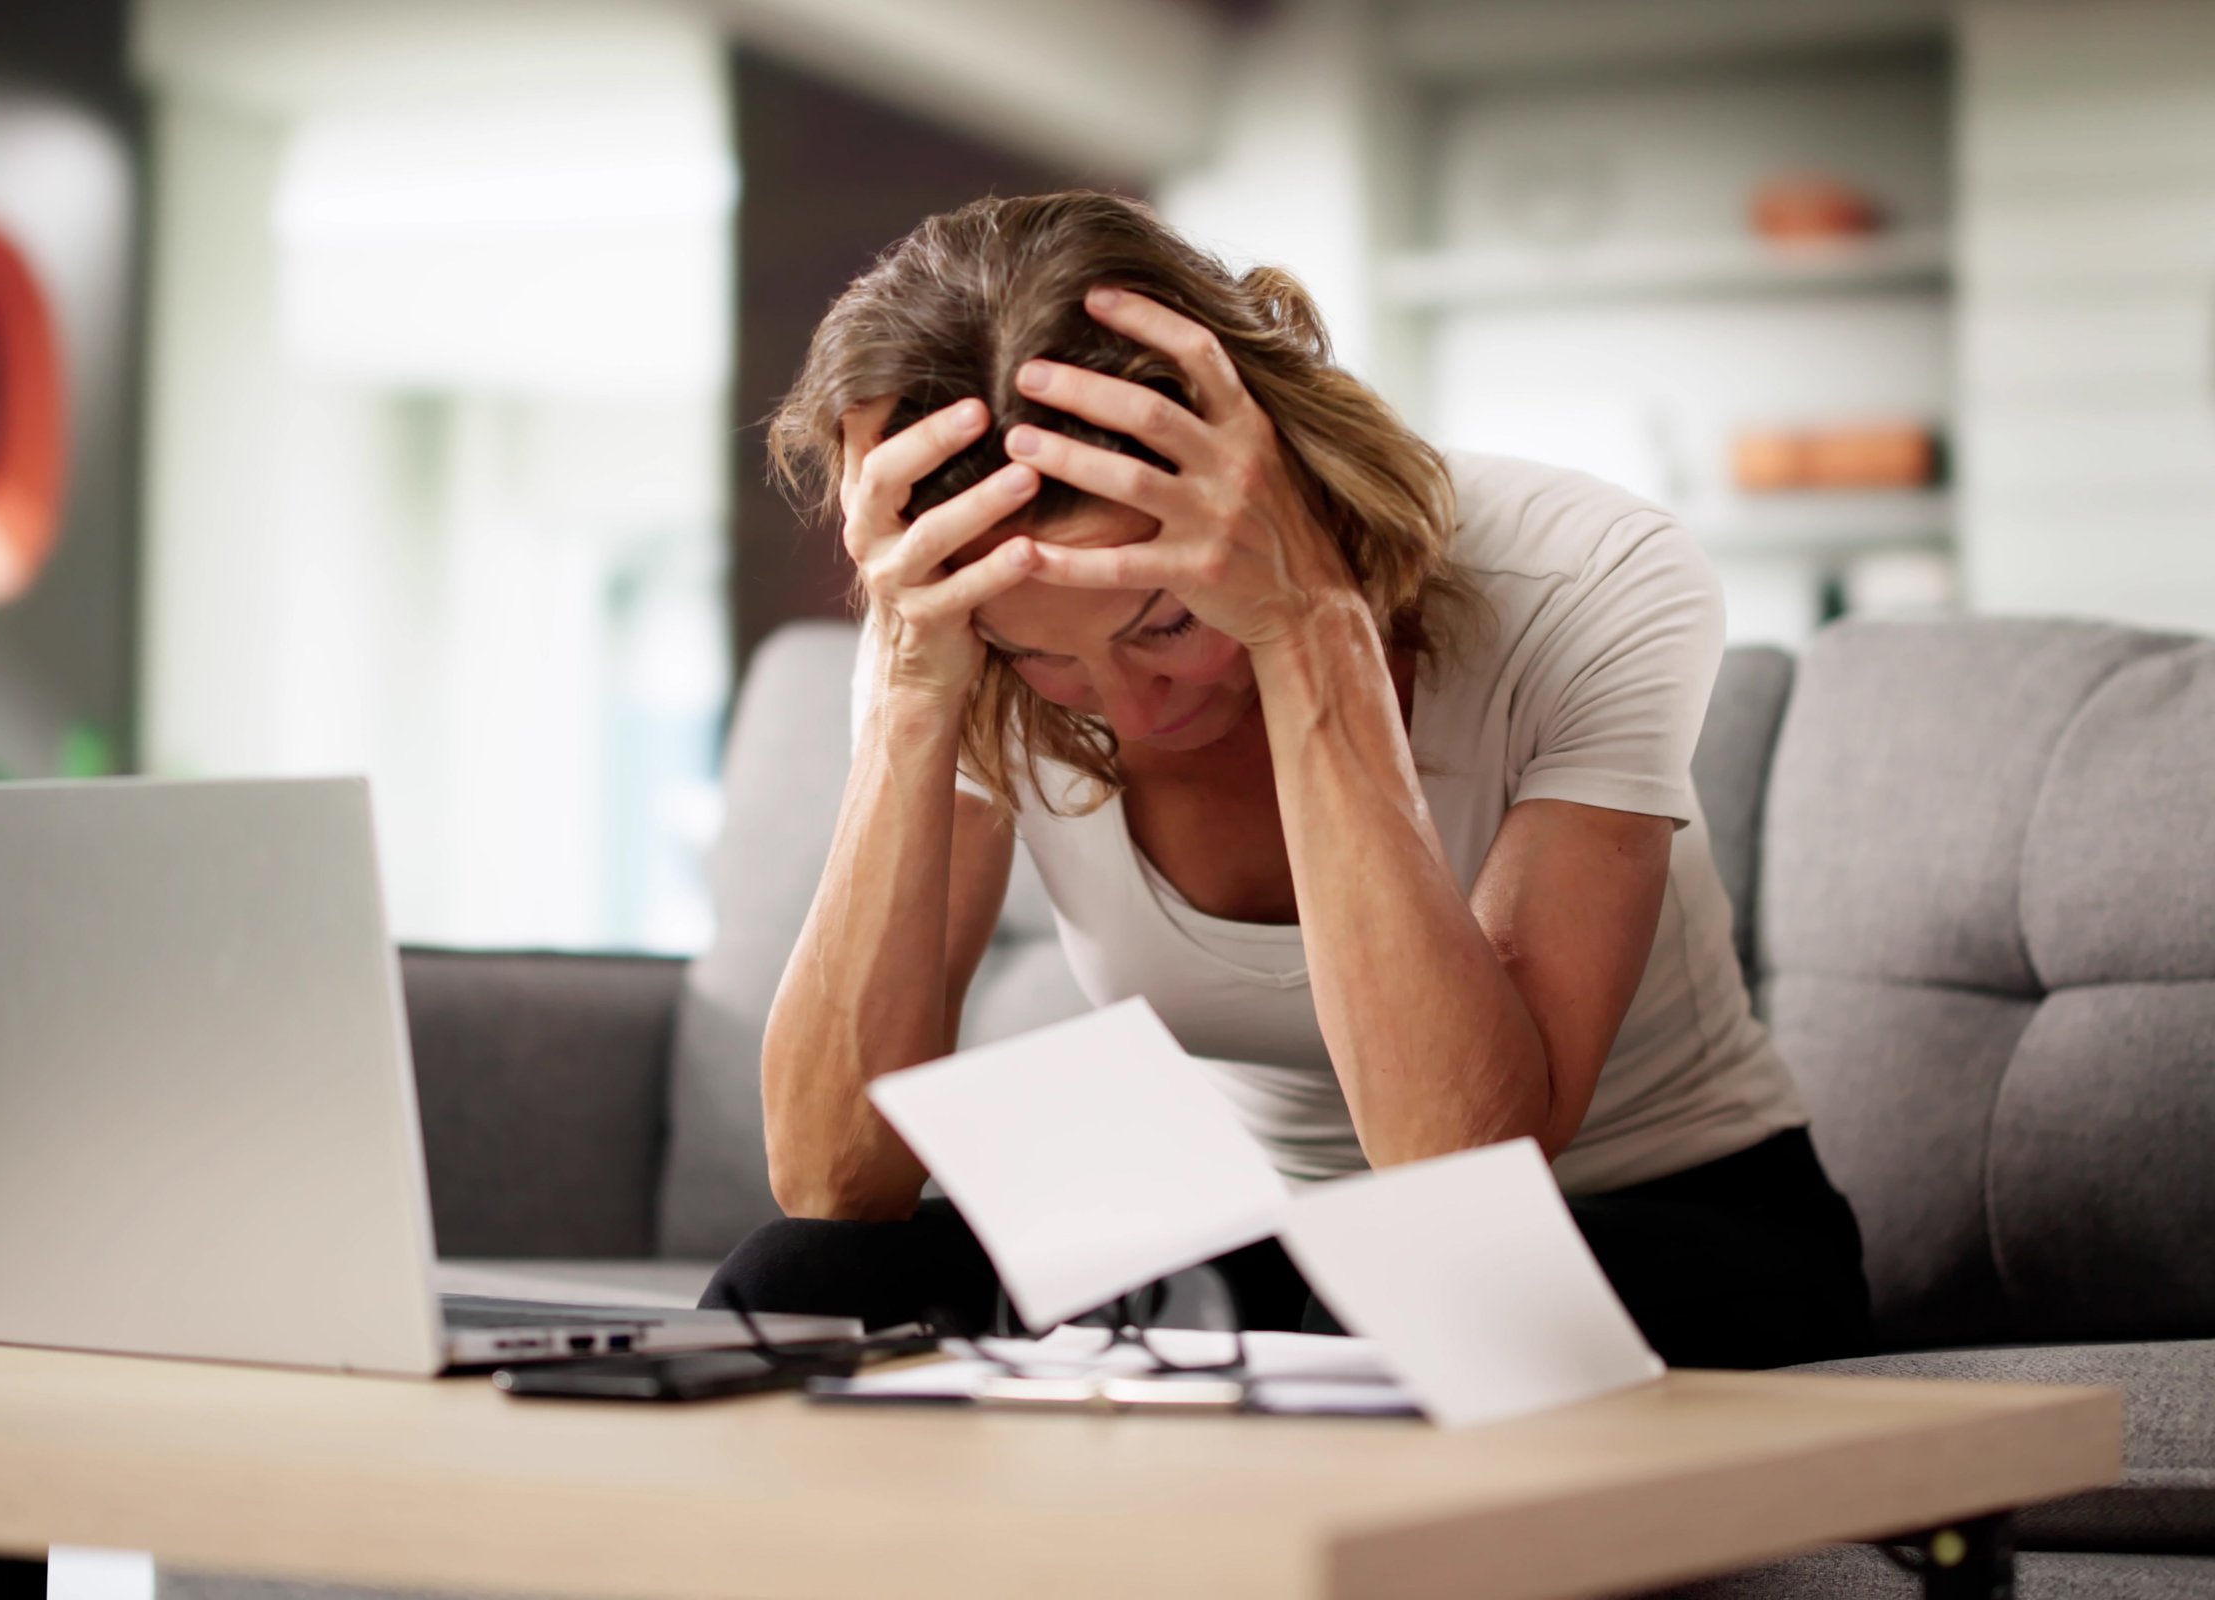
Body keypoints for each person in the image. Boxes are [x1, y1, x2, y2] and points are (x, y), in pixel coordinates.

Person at [702, 192, 1870, 1369]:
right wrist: (915, 690)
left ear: (1274, 475)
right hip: (1278, 1233)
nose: (1132, 707)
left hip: (1666, 1219)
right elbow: (830, 1176)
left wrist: (1309, 625)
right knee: (797, 1285)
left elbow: (1457, 1167)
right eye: (1042, 653)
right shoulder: (948, 623)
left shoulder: (1588, 571)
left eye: (1163, 621)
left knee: (1403, 1307)